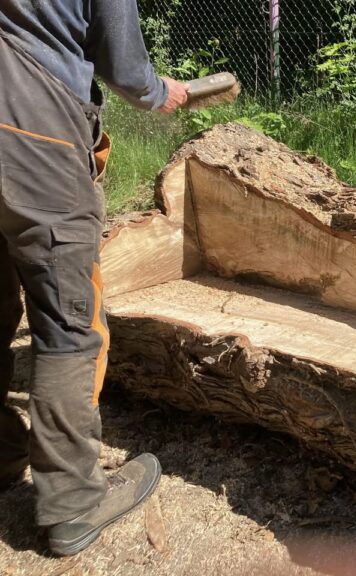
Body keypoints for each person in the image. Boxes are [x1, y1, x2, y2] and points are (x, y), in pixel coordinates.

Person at [0, 0, 189, 556]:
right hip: (29, 125)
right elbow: (125, 64)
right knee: (69, 318)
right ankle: (74, 501)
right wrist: (158, 90)